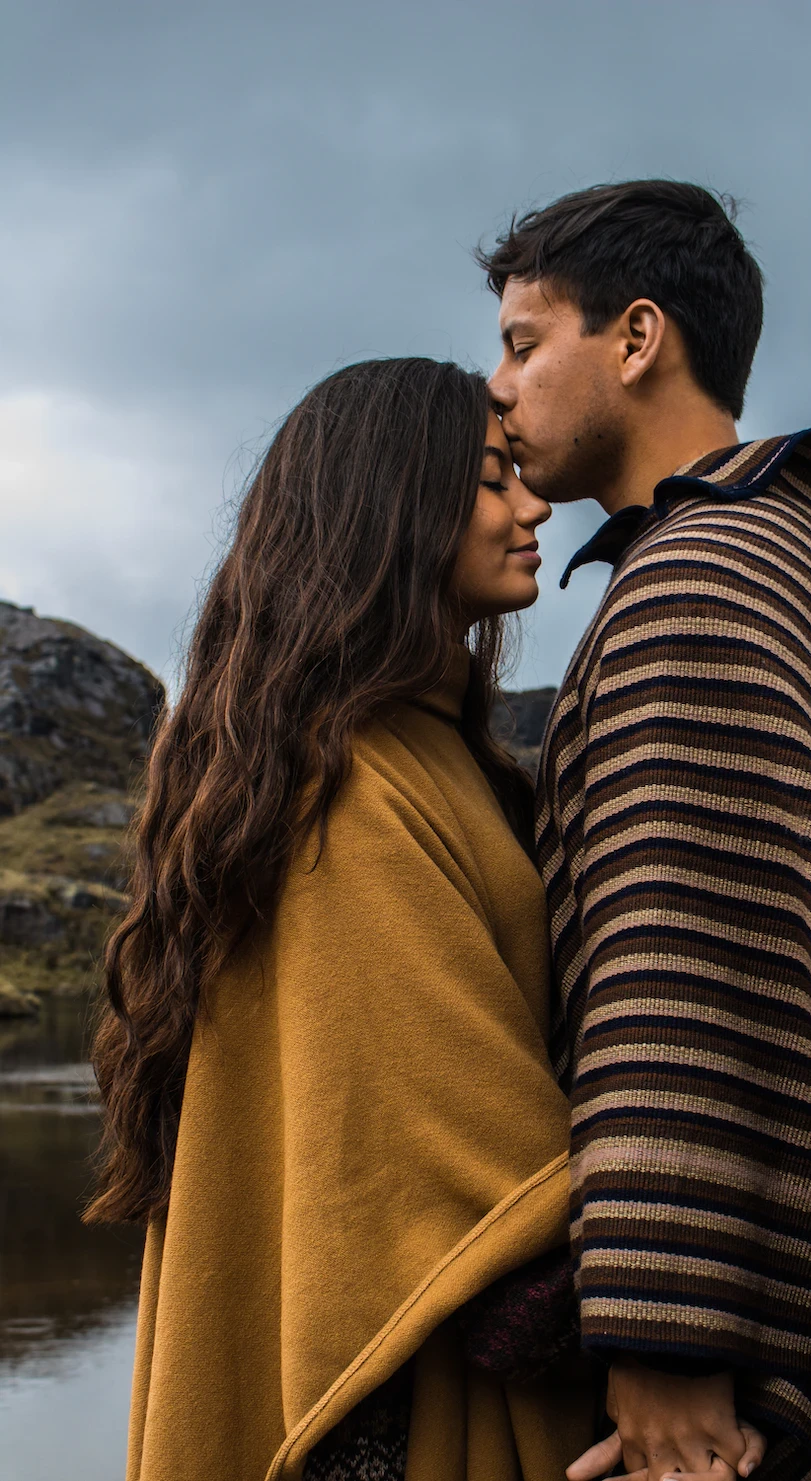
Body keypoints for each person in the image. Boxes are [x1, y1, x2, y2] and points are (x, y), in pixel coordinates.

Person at [480, 180, 811, 1481]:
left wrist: (661, 1357)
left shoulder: (695, 578)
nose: (497, 386)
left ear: (635, 338)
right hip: (789, 1307)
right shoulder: (777, 552)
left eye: (523, 342)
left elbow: (670, 978)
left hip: (724, 1396)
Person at [85, 357, 599, 1481]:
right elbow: (460, 1179)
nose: (532, 506)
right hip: (391, 1399)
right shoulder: (352, 782)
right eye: (492, 478)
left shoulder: (395, 746)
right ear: (392, 505)